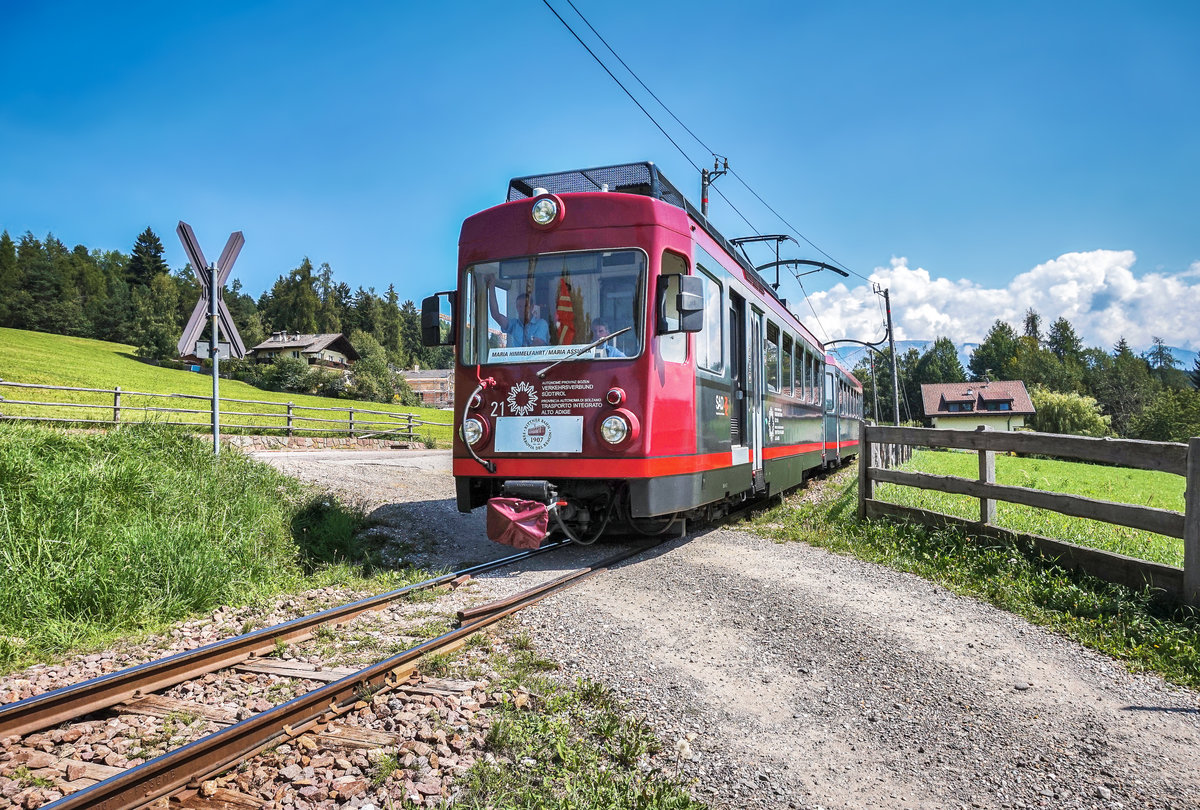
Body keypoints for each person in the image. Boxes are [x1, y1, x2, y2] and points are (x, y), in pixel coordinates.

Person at [488, 281, 549, 347]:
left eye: (525, 306)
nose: (522, 309)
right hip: (516, 357)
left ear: (532, 307)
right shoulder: (514, 324)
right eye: (519, 306)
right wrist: (491, 287)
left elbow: (537, 344)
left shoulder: (541, 324)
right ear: (516, 307)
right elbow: (496, 315)